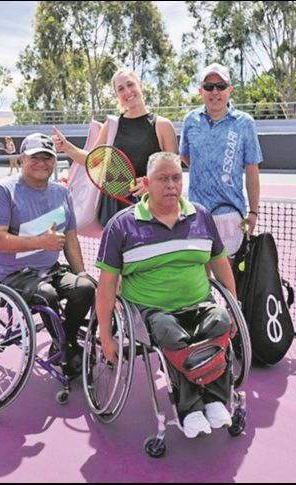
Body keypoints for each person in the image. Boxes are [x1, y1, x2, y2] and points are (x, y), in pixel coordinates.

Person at [94, 152, 239, 439]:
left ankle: (213, 399)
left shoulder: (202, 216)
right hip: (149, 312)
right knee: (170, 333)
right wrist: (105, 333)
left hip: (199, 303)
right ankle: (191, 408)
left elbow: (221, 263)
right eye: (163, 179)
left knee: (220, 321)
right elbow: (107, 284)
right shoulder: (121, 225)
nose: (171, 184)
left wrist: (234, 307)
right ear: (146, 183)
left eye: (176, 177)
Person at [0, 132, 95, 378]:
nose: (42, 163)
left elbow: (70, 238)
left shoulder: (61, 193)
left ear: (54, 162)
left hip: (48, 270)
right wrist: (41, 242)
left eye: (47, 158)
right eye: (35, 158)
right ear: (21, 160)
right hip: (8, 274)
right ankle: (66, 347)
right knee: (46, 294)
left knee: (85, 288)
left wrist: (81, 272)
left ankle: (66, 340)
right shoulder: (2, 192)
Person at [52, 67, 178, 226]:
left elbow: (174, 171)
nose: (127, 91)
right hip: (115, 211)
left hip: (152, 208)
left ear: (140, 85)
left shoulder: (162, 125)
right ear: (117, 95)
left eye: (130, 84)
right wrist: (66, 147)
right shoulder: (111, 126)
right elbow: (92, 160)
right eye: (121, 89)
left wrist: (151, 185)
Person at [180, 63, 263, 257]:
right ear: (201, 91)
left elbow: (252, 170)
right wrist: (206, 168)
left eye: (221, 86)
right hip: (197, 213)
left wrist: (253, 212)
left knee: (229, 277)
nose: (215, 92)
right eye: (209, 87)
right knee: (201, 274)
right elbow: (184, 155)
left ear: (230, 90)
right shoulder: (190, 120)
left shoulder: (245, 123)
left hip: (231, 214)